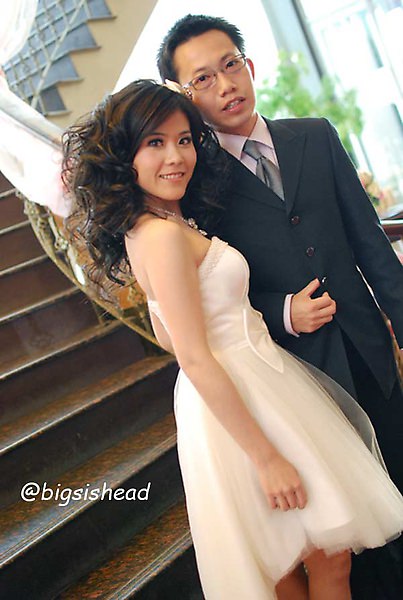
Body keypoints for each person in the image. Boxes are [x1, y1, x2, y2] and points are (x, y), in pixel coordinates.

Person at [62, 79, 403, 600]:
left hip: (250, 386)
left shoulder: (155, 224)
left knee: (299, 564)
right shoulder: (161, 235)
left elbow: (168, 334)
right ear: (124, 155)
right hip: (239, 400)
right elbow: (193, 357)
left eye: (183, 140)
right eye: (155, 143)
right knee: (319, 561)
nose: (176, 156)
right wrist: (266, 458)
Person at [156, 15, 403, 598]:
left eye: (231, 65)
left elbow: (370, 244)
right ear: (184, 95)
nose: (226, 85)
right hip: (297, 377)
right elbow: (210, 294)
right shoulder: (194, 183)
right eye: (203, 79)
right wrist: (282, 310)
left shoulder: (315, 136)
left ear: (249, 65)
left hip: (368, 350)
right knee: (351, 535)